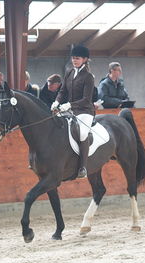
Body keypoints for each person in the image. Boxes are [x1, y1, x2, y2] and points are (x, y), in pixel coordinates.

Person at [51, 45, 94, 179]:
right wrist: (57, 102)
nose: (74, 60)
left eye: (77, 58)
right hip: (70, 110)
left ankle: (83, 167)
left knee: (81, 134)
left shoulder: (88, 76)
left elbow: (87, 99)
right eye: (73, 58)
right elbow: (63, 91)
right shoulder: (69, 72)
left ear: (85, 59)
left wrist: (69, 104)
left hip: (85, 111)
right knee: (54, 125)